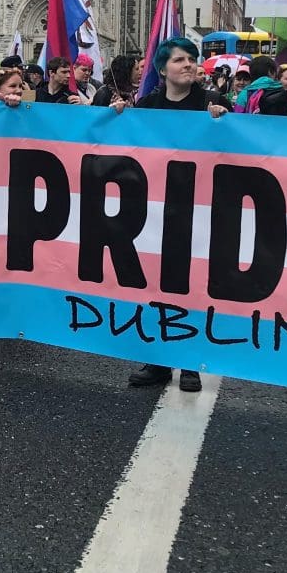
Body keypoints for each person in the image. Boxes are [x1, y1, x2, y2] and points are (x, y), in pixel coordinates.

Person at [111, 37, 228, 394]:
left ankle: (189, 361)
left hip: (196, 208)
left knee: (189, 284)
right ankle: (158, 360)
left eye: (192, 60)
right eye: (180, 60)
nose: (189, 65)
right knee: (155, 284)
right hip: (154, 209)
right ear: (163, 70)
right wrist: (116, 116)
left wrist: (225, 122)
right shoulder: (147, 105)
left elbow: (237, 148)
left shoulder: (211, 104)